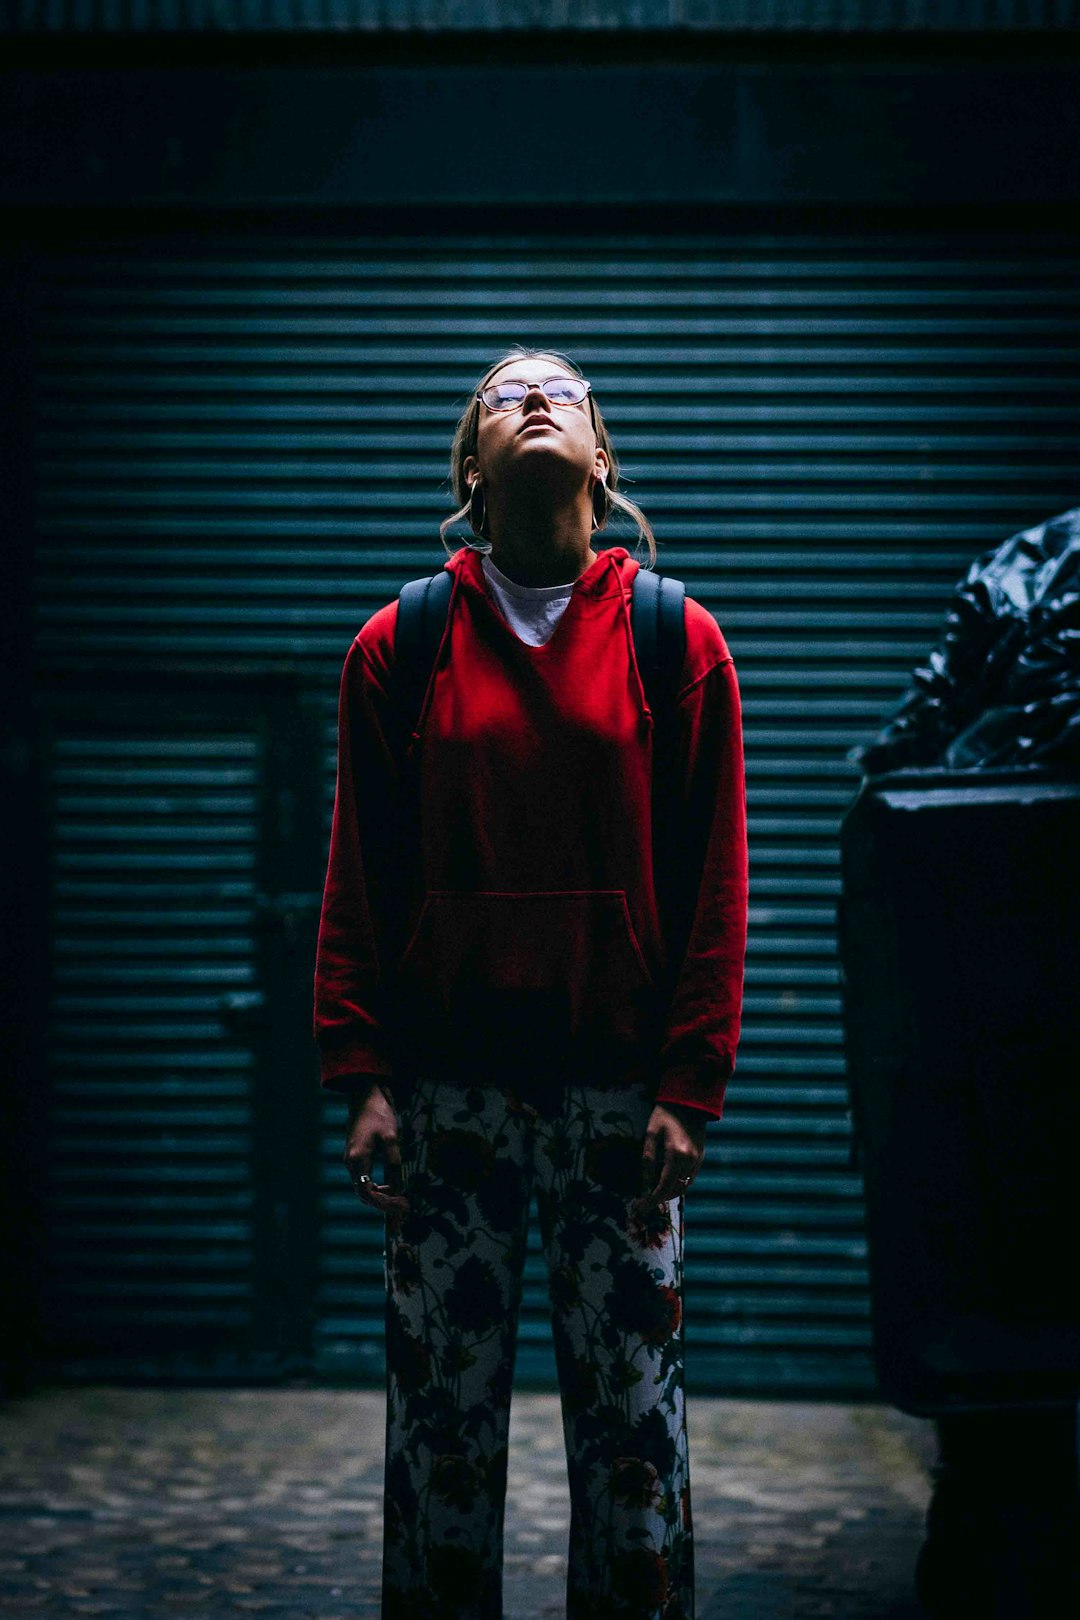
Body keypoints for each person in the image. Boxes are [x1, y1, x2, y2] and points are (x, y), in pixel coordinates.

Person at [313, 345, 749, 1620]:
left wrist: (691, 1086)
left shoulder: (679, 642)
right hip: (450, 1110)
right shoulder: (401, 643)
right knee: (440, 1453)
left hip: (624, 1112)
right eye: (507, 393)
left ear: (601, 463)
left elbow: (718, 888)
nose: (538, 400)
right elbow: (359, 879)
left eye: (563, 392)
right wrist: (360, 1076)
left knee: (635, 1457)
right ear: (472, 465)